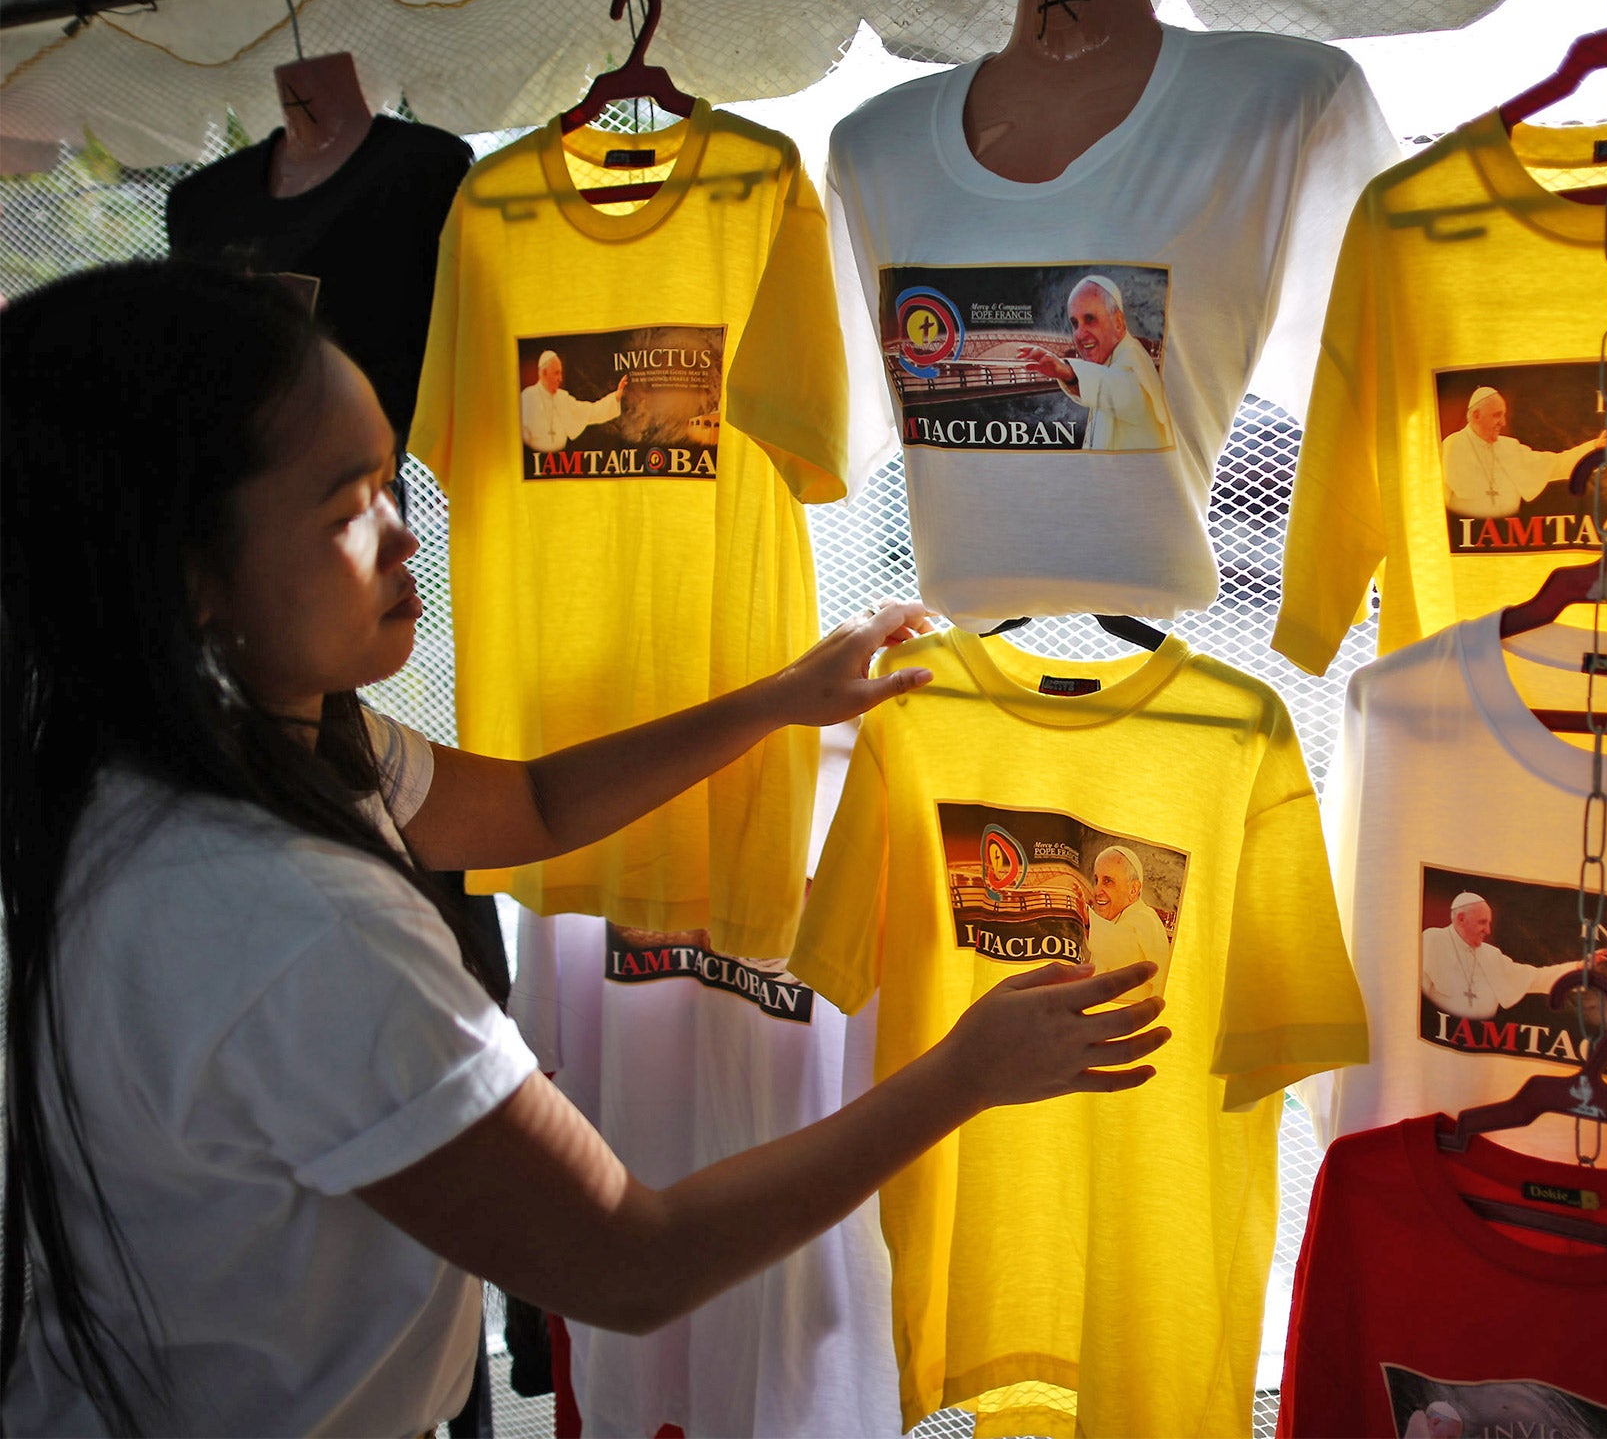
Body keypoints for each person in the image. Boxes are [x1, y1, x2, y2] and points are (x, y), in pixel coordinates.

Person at [0, 260, 1171, 1436]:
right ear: (188, 574)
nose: (408, 534)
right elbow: (629, 1264)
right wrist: (961, 1075)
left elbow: (530, 808)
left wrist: (775, 700)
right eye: (348, 507)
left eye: (393, 476)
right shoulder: (292, 921)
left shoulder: (194, 757)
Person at [1017, 274, 1170, 451]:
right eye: (1075, 324)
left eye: (1090, 319)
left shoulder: (1132, 358)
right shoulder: (1108, 360)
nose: (1080, 334)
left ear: (1118, 322)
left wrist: (1069, 372)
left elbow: (1122, 391)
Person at [1441, 386, 1607, 518]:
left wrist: (1595, 448)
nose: (1503, 422)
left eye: (1504, 415)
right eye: (1497, 415)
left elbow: (1556, 464)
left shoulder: (1510, 447)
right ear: (1476, 416)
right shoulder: (1452, 446)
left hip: (1509, 535)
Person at [1419, 892, 1607, 1021]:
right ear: (1461, 919)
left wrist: (1577, 968)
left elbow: (1535, 978)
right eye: (1482, 923)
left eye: (1489, 923)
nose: (1488, 930)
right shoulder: (1433, 940)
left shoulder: (1490, 955)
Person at [1086, 844, 1173, 996]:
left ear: (1133, 889)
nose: (1097, 891)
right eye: (1096, 880)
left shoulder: (1145, 919)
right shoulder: (1114, 919)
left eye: (1107, 881)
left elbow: (1122, 950)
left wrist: (1086, 918)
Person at [520, 348, 627, 452]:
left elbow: (591, 412)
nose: (560, 379)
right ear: (544, 373)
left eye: (561, 373)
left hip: (561, 460)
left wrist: (616, 397)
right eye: (556, 373)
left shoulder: (562, 398)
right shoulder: (527, 397)